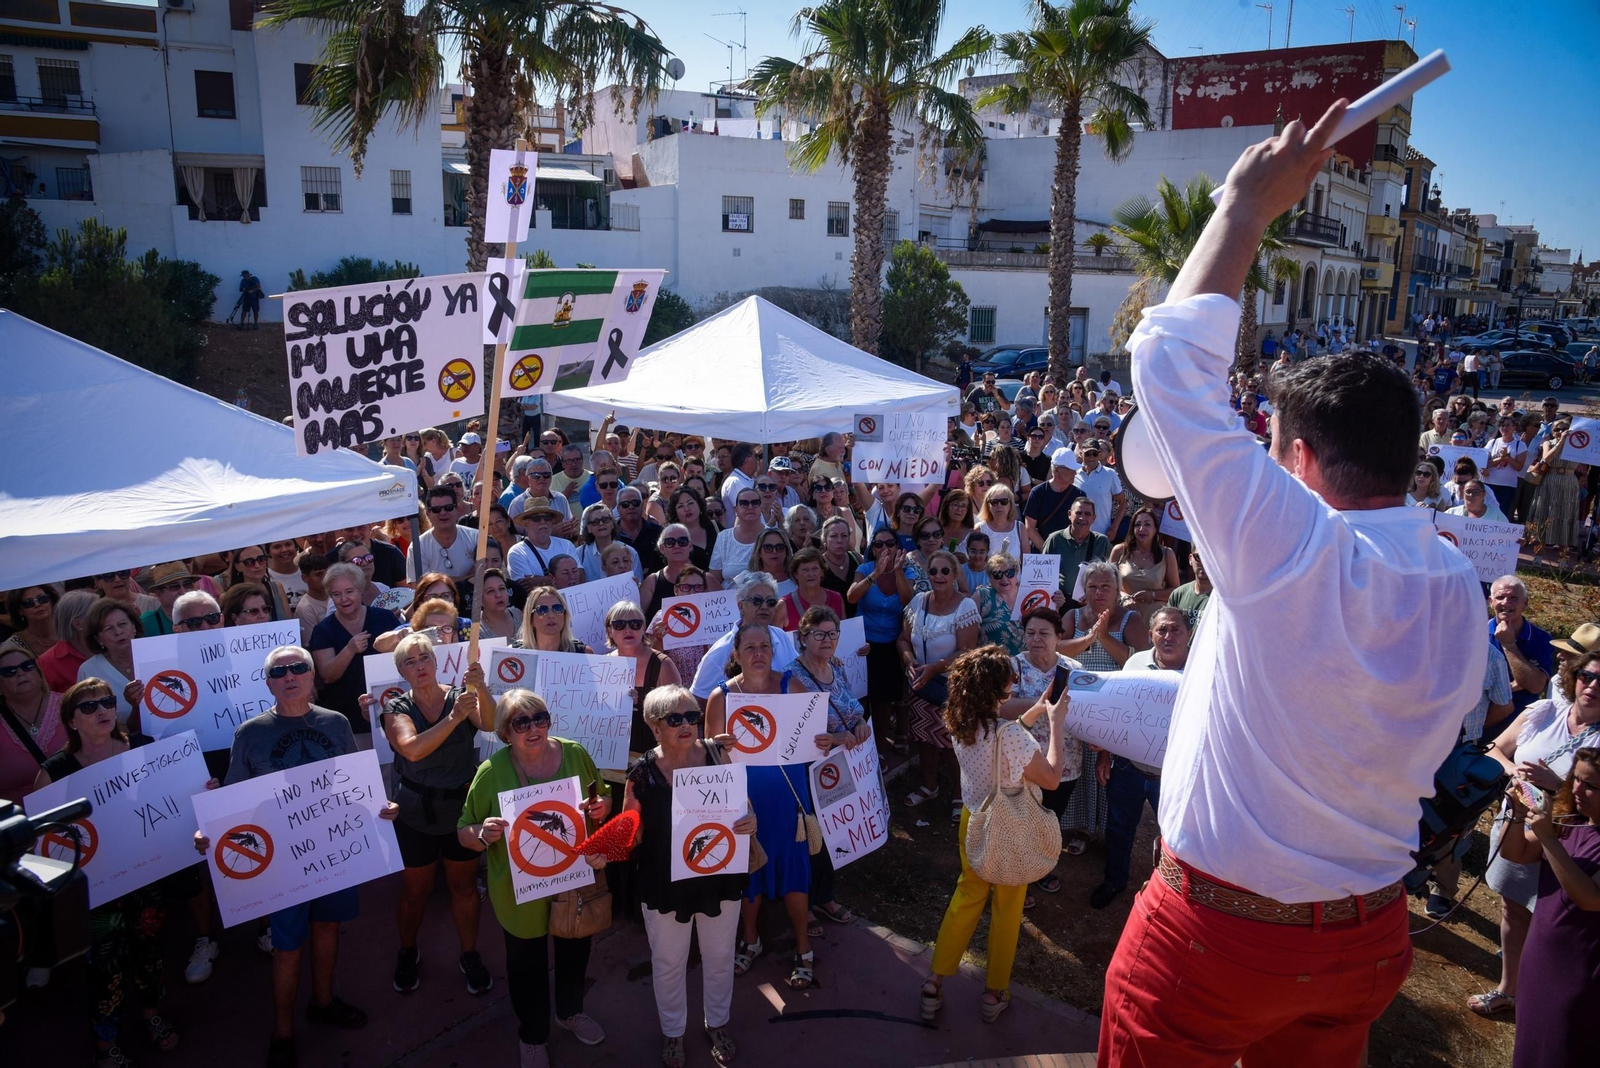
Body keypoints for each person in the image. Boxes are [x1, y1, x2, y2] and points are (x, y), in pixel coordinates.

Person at [1100, 99, 1485, 1066]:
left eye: (1271, 452)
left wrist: (1241, 207)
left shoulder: (1294, 547)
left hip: (1221, 941)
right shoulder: (1450, 581)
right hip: (1365, 939)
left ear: (1302, 462)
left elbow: (1166, 365)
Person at [201, 646, 395, 1067]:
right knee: (287, 947)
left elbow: (353, 785)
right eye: (279, 671)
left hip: (333, 850)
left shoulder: (337, 723)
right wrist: (211, 831)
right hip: (283, 863)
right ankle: (283, 1031)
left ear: (312, 676)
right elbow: (236, 799)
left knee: (327, 929)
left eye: (299, 668)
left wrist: (380, 808)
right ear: (268, 681)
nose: (290, 675)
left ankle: (323, 1002)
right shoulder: (249, 733)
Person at [40, 678, 195, 1067]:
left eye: (107, 702)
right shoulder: (55, 772)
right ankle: (105, 1043)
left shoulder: (143, 749)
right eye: (89, 707)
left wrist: (199, 787)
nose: (103, 711)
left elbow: (174, 799)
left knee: (150, 952)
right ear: (71, 721)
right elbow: (44, 845)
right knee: (104, 966)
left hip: (147, 876)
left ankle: (151, 1014)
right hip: (95, 891)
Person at [457, 688, 610, 1068]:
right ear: (505, 732)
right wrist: (482, 833)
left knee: (576, 950)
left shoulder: (574, 753)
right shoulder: (491, 772)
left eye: (539, 718)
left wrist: (601, 807)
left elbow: (601, 801)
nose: (532, 728)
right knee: (526, 966)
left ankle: (570, 1011)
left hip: (574, 881)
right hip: (518, 891)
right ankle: (533, 1034)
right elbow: (464, 830)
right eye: (520, 722)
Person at [919, 646, 1070, 1024]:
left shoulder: (961, 722)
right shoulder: (1009, 736)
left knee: (967, 895)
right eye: (1010, 681)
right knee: (1007, 910)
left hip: (974, 820)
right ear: (998, 690)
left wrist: (1033, 712)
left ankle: (934, 982)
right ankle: (994, 992)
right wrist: (1056, 726)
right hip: (1011, 825)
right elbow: (1050, 778)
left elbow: (998, 739)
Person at [624, 686, 753, 1068]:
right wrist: (606, 828)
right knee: (667, 962)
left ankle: (718, 1023)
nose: (686, 725)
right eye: (674, 718)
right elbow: (631, 831)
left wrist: (750, 819)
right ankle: (673, 1032)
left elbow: (742, 802)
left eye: (692, 716)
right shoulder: (641, 772)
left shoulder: (718, 753)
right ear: (654, 726)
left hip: (719, 879)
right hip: (664, 885)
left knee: (719, 956)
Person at [359, 633, 494, 995]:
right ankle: (407, 949)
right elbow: (411, 749)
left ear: (436, 662)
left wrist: (481, 690)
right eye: (409, 662)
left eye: (423, 659)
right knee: (415, 891)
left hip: (461, 810)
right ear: (401, 671)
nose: (418, 666)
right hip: (415, 812)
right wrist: (454, 717)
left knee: (463, 887)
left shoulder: (460, 695)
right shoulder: (396, 708)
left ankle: (469, 954)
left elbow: (490, 724)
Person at [1475, 647, 1600, 1019]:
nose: (1592, 686)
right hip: (1517, 824)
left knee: (1552, 923)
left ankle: (1539, 1002)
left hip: (1568, 843)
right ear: (1574, 678)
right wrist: (1514, 773)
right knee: (1512, 908)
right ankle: (1508, 991)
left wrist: (1557, 785)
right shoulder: (1543, 713)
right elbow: (1494, 749)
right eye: (1587, 676)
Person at [705, 624, 817, 990]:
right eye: (750, 647)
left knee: (794, 870)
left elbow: (814, 739)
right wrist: (716, 745)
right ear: (735, 654)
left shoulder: (792, 686)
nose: (758, 653)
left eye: (764, 646)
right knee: (748, 869)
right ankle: (749, 940)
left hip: (787, 796)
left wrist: (827, 739)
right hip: (743, 799)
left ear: (773, 651)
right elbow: (710, 759)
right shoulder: (719, 698)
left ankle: (804, 948)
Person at [1498, 745, 1600, 1068]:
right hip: (1539, 960)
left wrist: (1547, 838)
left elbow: (1589, 898)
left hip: (1578, 975)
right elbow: (1515, 853)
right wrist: (1515, 815)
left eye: (1591, 785)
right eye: (1576, 780)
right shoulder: (1572, 821)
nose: (1577, 790)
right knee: (1529, 1049)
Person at [1091, 606, 1189, 909]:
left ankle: (1168, 894)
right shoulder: (1134, 663)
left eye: (1175, 630)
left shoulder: (1202, 672)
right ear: (1151, 635)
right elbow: (1117, 711)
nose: (1168, 636)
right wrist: (1104, 754)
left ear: (1189, 635)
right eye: (1162, 630)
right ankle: (1115, 881)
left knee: (1176, 838)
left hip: (1175, 777)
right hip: (1129, 770)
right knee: (1119, 828)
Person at [999, 609, 1081, 903]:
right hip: (1024, 765)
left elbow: (1089, 710)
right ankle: (1016, 878)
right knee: (1021, 821)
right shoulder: (1013, 667)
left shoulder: (1074, 669)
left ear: (1059, 637)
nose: (1036, 639)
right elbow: (1002, 707)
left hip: (1065, 762)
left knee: (1050, 820)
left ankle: (1039, 870)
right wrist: (1043, 704)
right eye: (1030, 633)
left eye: (1044, 633)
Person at [900, 551, 982, 816]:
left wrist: (935, 667)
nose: (939, 576)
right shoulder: (917, 601)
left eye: (945, 571)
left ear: (955, 574)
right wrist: (909, 659)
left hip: (952, 685)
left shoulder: (965, 605)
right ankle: (929, 785)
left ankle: (960, 794)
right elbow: (902, 639)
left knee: (952, 743)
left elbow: (966, 650)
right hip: (920, 683)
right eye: (933, 571)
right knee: (924, 738)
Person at [308, 562, 404, 739]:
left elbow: (404, 657)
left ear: (360, 590)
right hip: (348, 721)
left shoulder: (384, 618)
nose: (344, 599)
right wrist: (349, 649)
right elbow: (327, 675)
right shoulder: (323, 630)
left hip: (393, 713)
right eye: (336, 594)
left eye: (349, 591)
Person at [690, 572, 798, 701]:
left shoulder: (781, 636)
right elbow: (699, 700)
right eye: (757, 601)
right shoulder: (720, 651)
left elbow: (797, 677)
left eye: (771, 602)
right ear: (741, 606)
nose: (764, 607)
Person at [0, 645, 64, 802]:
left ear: (39, 673)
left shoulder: (70, 704)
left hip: (81, 810)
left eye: (27, 666)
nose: (21, 673)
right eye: (10, 671)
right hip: (20, 821)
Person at [1490, 576, 1554, 718]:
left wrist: (1509, 645)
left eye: (1513, 598)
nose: (1506, 602)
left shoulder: (1541, 639)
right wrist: (1515, 684)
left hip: (1520, 723)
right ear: (1491, 602)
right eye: (1500, 597)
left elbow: (1536, 685)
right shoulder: (1477, 633)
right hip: (1478, 722)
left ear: (1525, 604)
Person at [76, 598, 144, 729]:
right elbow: (89, 722)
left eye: (123, 624)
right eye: (109, 629)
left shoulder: (158, 654)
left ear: (134, 627)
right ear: (98, 638)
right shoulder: (89, 671)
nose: (118, 632)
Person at [1109, 506, 1180, 626]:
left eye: (1147, 524)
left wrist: (1153, 595)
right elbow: (1109, 584)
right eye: (1137, 525)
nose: (1142, 529)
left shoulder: (1167, 553)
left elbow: (1176, 592)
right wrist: (1124, 597)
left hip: (1155, 621)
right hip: (1123, 617)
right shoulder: (1119, 551)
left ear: (1155, 529)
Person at [1041, 498, 1110, 611]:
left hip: (1090, 606)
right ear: (1069, 514)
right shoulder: (1055, 539)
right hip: (1058, 604)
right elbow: (1042, 575)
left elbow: (1111, 577)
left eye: (1087, 514)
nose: (1082, 518)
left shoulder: (1102, 542)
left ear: (1094, 518)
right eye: (1078, 513)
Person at [409, 486, 480, 589]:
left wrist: (435, 580)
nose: (443, 513)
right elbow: (420, 587)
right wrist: (466, 578)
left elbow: (485, 576)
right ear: (428, 513)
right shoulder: (417, 547)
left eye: (448, 508)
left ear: (457, 509)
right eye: (436, 510)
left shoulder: (476, 538)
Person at [508, 497, 580, 590]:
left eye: (547, 517)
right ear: (525, 523)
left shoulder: (567, 545)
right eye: (536, 518)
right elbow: (527, 589)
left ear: (552, 522)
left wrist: (541, 581)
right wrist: (564, 580)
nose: (542, 522)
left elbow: (580, 576)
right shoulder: (517, 552)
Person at [1022, 447, 1084, 547]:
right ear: (1056, 470)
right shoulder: (1037, 492)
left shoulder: (1079, 495)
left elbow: (1082, 527)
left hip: (1070, 551)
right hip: (1042, 554)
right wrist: (1047, 552)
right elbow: (1030, 527)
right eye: (1070, 469)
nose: (1075, 473)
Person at [710, 485, 766, 588]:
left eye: (755, 503)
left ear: (760, 507)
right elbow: (714, 579)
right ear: (736, 509)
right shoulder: (723, 538)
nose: (750, 507)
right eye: (744, 503)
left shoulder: (774, 535)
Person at [781, 547, 844, 631]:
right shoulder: (784, 605)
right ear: (795, 574)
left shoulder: (836, 598)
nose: (811, 574)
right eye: (805, 570)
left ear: (821, 571)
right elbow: (775, 641)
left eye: (815, 569)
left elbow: (844, 635)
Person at [1074, 438, 1126, 537]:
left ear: (1099, 454)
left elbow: (1122, 502)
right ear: (1081, 454)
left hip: (1101, 535)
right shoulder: (1074, 473)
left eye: (1095, 454)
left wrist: (1114, 528)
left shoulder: (1110, 474)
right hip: (1076, 534)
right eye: (1088, 454)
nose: (1091, 457)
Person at [517, 586, 591, 654]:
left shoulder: (584, 653)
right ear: (530, 619)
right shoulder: (513, 655)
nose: (551, 615)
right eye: (542, 610)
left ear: (565, 615)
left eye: (557, 608)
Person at [139, 563, 200, 636]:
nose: (183, 591)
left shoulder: (207, 616)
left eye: (187, 584)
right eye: (174, 586)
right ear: (158, 594)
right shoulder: (146, 623)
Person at [1486, 413, 1528, 518]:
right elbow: (1485, 463)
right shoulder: (1492, 442)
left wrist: (1507, 458)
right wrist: (1500, 459)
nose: (1505, 428)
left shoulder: (1520, 445)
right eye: (1502, 425)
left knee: (1502, 514)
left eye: (1508, 425)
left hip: (1507, 486)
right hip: (1489, 483)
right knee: (1487, 512)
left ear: (1514, 427)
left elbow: (1519, 467)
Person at [1167, 550, 1213, 628]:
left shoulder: (1224, 598)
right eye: (1198, 557)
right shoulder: (1178, 594)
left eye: (1209, 557)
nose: (1204, 562)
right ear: (1190, 559)